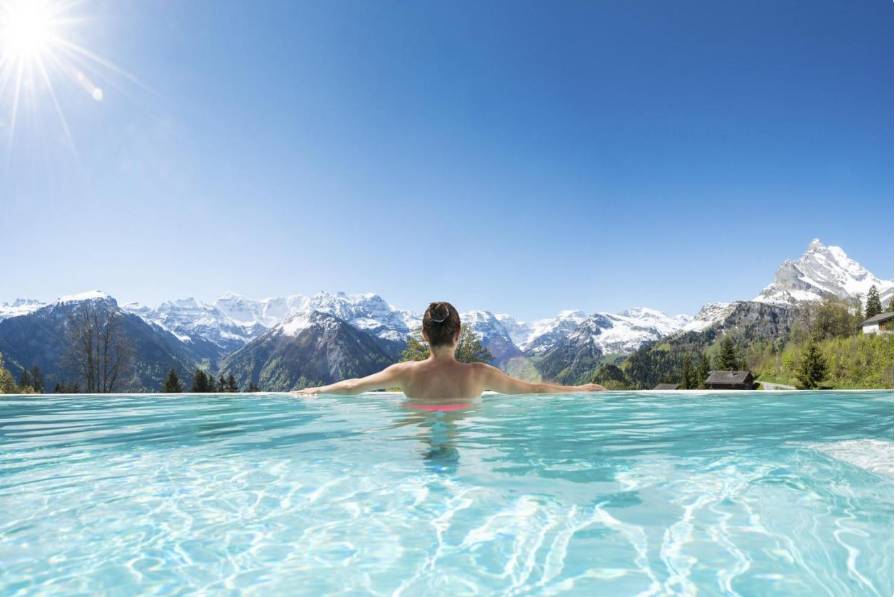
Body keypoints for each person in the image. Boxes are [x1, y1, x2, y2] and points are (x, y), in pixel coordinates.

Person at [292, 301, 605, 400]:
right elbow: (534, 390)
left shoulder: (404, 373)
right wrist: (581, 388)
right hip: (464, 448)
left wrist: (317, 388)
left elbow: (353, 387)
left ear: (423, 334)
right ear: (459, 334)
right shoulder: (479, 375)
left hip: (419, 450)